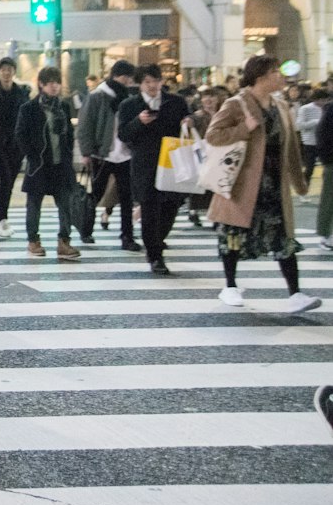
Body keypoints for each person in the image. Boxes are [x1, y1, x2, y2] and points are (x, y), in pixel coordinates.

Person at [206, 55, 321, 313]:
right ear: (260, 77)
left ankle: (295, 293)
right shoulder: (237, 103)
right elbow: (213, 135)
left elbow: (291, 149)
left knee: (283, 238)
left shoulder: (281, 106)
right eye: (275, 73)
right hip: (241, 185)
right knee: (233, 236)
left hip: (273, 184)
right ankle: (230, 286)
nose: (281, 77)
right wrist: (243, 129)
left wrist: (300, 183)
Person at [116, 64, 191, 275]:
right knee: (149, 208)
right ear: (140, 83)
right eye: (147, 82)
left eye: (155, 81)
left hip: (173, 161)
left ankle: (157, 241)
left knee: (171, 205)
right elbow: (123, 134)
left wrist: (188, 121)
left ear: (161, 81)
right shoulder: (129, 105)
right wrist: (139, 122)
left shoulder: (175, 102)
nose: (152, 86)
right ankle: (155, 255)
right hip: (144, 163)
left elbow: (187, 122)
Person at [15, 66, 82, 262]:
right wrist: (32, 155)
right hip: (39, 164)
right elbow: (20, 134)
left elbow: (69, 134)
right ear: (42, 85)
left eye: (57, 82)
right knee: (34, 205)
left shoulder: (63, 107)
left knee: (65, 204)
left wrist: (68, 155)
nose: (55, 86)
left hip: (60, 164)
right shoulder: (29, 108)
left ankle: (64, 241)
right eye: (50, 82)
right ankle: (33, 240)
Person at [78, 59, 141, 251]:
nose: (128, 82)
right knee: (96, 194)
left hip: (125, 153)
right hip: (102, 154)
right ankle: (86, 229)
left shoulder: (130, 98)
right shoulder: (98, 95)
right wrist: (86, 152)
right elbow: (85, 124)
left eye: (130, 79)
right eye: (125, 78)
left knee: (126, 197)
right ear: (117, 76)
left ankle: (127, 237)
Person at [0, 56, 30, 238]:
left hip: (17, 145)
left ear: (14, 72)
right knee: (6, 177)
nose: (6, 73)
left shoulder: (21, 93)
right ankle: (2, 218)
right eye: (3, 70)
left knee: (9, 182)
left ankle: (3, 217)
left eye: (9, 70)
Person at [187, 86, 227, 227]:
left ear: (217, 99)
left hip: (219, 152)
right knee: (200, 183)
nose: (208, 100)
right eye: (205, 97)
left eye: (212, 97)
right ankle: (193, 211)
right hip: (201, 153)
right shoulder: (197, 116)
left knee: (217, 184)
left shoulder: (223, 114)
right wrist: (187, 123)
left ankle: (216, 215)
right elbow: (187, 125)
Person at [296, 88, 327, 187]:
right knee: (309, 168)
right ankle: (304, 188)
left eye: (325, 100)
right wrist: (316, 122)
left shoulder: (327, 108)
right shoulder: (305, 109)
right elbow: (300, 125)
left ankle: (325, 190)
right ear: (316, 99)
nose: (323, 102)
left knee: (327, 168)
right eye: (321, 100)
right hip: (310, 142)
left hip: (324, 142)